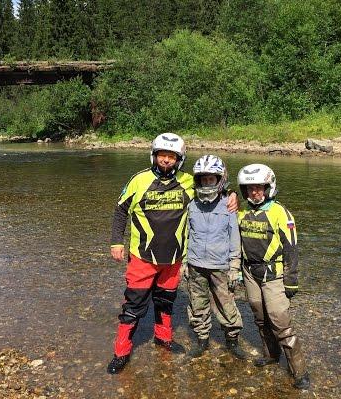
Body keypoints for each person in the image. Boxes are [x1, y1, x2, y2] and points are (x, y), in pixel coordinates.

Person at [107, 133, 237, 374]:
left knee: (165, 301)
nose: (166, 160)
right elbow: (120, 211)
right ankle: (121, 352)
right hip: (142, 257)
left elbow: (214, 184)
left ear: (180, 159)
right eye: (162, 155)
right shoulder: (139, 180)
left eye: (172, 157)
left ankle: (163, 338)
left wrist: (232, 194)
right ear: (154, 156)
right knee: (133, 307)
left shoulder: (189, 182)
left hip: (174, 259)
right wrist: (116, 242)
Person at [237, 164, 310, 390]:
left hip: (274, 274)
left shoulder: (280, 212)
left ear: (269, 187)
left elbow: (292, 248)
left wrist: (292, 279)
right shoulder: (240, 211)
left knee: (280, 322)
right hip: (250, 272)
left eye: (259, 188)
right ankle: (271, 354)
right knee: (260, 317)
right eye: (249, 189)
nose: (254, 192)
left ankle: (300, 371)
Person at [184, 154, 244, 360]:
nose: (207, 182)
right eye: (203, 179)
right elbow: (186, 235)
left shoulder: (229, 205)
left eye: (211, 179)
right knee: (197, 305)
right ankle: (202, 340)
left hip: (221, 266)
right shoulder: (192, 205)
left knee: (227, 305)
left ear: (220, 179)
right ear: (198, 180)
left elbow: (235, 238)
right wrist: (184, 262)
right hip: (195, 264)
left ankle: (232, 341)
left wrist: (235, 266)